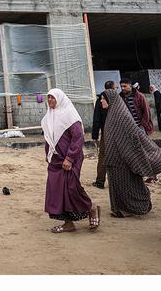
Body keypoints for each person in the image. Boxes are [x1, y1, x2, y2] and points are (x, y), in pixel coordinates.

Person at [101, 88, 161, 217]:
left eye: (103, 98)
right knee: (117, 186)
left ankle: (138, 207)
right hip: (114, 158)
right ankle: (120, 209)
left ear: (110, 100)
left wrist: (129, 152)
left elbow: (133, 134)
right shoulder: (112, 113)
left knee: (128, 186)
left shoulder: (121, 115)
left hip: (124, 158)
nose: (101, 101)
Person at [43, 88, 100, 233]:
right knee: (57, 191)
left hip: (69, 159)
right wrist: (48, 154)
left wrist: (69, 158)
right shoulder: (49, 116)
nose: (50, 100)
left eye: (52, 98)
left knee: (71, 187)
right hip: (55, 161)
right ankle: (68, 223)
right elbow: (49, 138)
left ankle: (91, 208)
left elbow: (78, 137)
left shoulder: (70, 114)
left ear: (60, 98)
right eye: (48, 97)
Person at [91, 80, 114, 189]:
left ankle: (100, 181)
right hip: (115, 132)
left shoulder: (100, 100)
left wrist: (95, 136)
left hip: (106, 132)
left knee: (103, 157)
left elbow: (96, 120)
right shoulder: (117, 99)